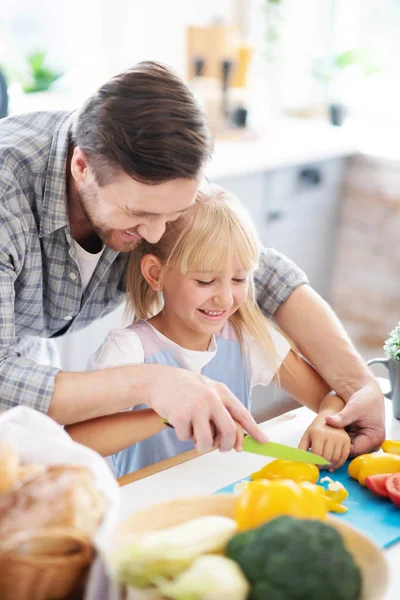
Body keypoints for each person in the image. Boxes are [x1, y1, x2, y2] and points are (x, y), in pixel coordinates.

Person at [0, 60, 384, 455]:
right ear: (81, 167)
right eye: (139, 214)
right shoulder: (6, 191)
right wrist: (152, 383)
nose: (155, 234)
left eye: (171, 214)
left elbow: (263, 275)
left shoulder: (155, 175)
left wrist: (359, 387)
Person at [66, 185, 352, 476]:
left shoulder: (247, 339)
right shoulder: (128, 351)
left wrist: (329, 420)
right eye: (205, 281)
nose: (225, 299)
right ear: (156, 274)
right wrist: (164, 413)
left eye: (239, 279)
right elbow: (75, 441)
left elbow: (330, 396)